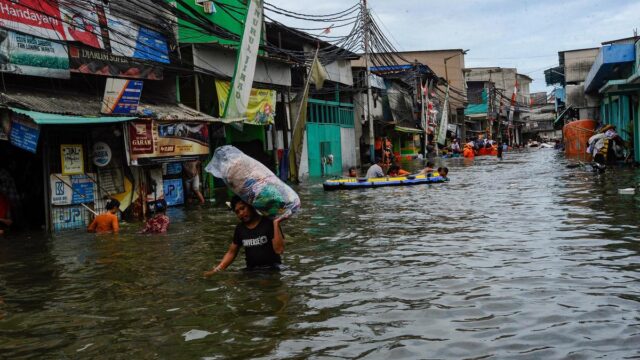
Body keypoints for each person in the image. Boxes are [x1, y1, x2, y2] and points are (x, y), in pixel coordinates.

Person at [204, 196, 285, 275]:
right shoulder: (240, 228)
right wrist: (216, 270)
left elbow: (279, 250)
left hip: (271, 269)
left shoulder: (269, 222)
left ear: (250, 205)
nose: (241, 213)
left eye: (243, 208)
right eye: (237, 212)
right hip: (251, 270)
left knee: (263, 282)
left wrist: (276, 223)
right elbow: (231, 252)